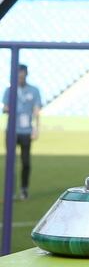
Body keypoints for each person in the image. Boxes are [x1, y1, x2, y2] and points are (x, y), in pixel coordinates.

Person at [3, 64, 42, 200]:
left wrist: (36, 128)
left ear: (26, 75)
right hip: (12, 131)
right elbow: (5, 107)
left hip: (26, 131)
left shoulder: (34, 90)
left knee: (26, 162)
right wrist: (8, 109)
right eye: (18, 76)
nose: (20, 78)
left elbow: (37, 111)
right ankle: (10, 191)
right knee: (11, 163)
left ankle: (24, 189)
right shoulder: (9, 90)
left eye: (22, 76)